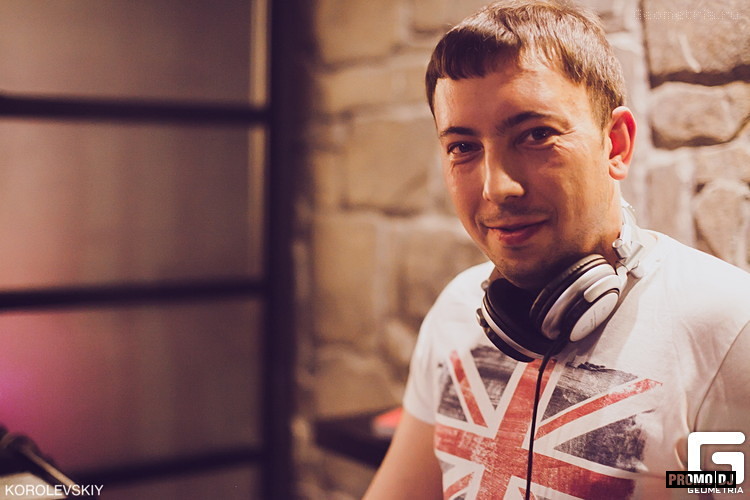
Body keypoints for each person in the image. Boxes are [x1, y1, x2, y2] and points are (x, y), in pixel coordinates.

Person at [363, 1, 750, 499]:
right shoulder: (456, 310)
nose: (497, 188)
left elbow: (721, 486)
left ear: (615, 145)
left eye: (536, 135)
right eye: (463, 146)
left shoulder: (727, 328)